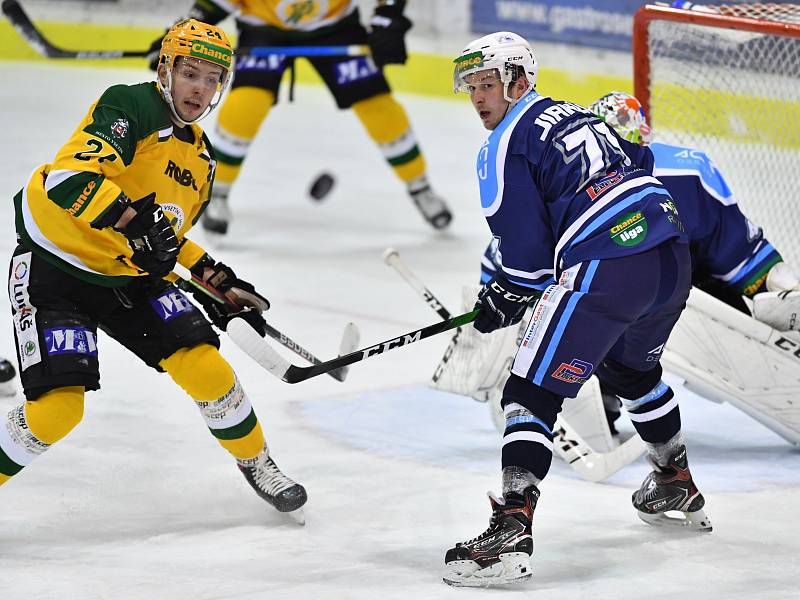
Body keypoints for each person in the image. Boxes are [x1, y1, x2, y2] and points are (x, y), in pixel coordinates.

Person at [1, 19, 307, 518]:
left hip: (126, 276)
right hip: (55, 266)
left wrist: (214, 278)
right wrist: (131, 221)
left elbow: (166, 234)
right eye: (191, 73)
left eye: (213, 79)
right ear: (166, 69)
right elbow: (67, 178)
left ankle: (258, 462)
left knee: (207, 368)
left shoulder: (202, 160)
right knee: (57, 411)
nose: (201, 89)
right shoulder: (132, 104)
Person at [443, 32, 710, 588]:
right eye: (471, 87)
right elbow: (639, 159)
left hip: (609, 263)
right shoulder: (576, 115)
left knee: (529, 392)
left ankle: (511, 526)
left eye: (486, 84)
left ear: (518, 80)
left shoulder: (503, 145)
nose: (478, 98)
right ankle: (673, 478)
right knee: (631, 370)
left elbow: (526, 260)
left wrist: (504, 296)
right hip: (670, 252)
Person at [481, 91, 800, 434]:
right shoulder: (679, 168)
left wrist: (775, 284)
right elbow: (732, 246)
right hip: (657, 294)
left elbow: (732, 243)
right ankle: (604, 402)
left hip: (651, 296)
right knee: (600, 312)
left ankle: (594, 401)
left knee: (596, 308)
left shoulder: (670, 171)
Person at [147, 0, 452, 235]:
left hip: (336, 27)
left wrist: (389, 20)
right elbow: (212, 6)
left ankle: (420, 187)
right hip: (264, 30)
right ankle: (218, 193)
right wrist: (179, 36)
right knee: (246, 106)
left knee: (379, 108)